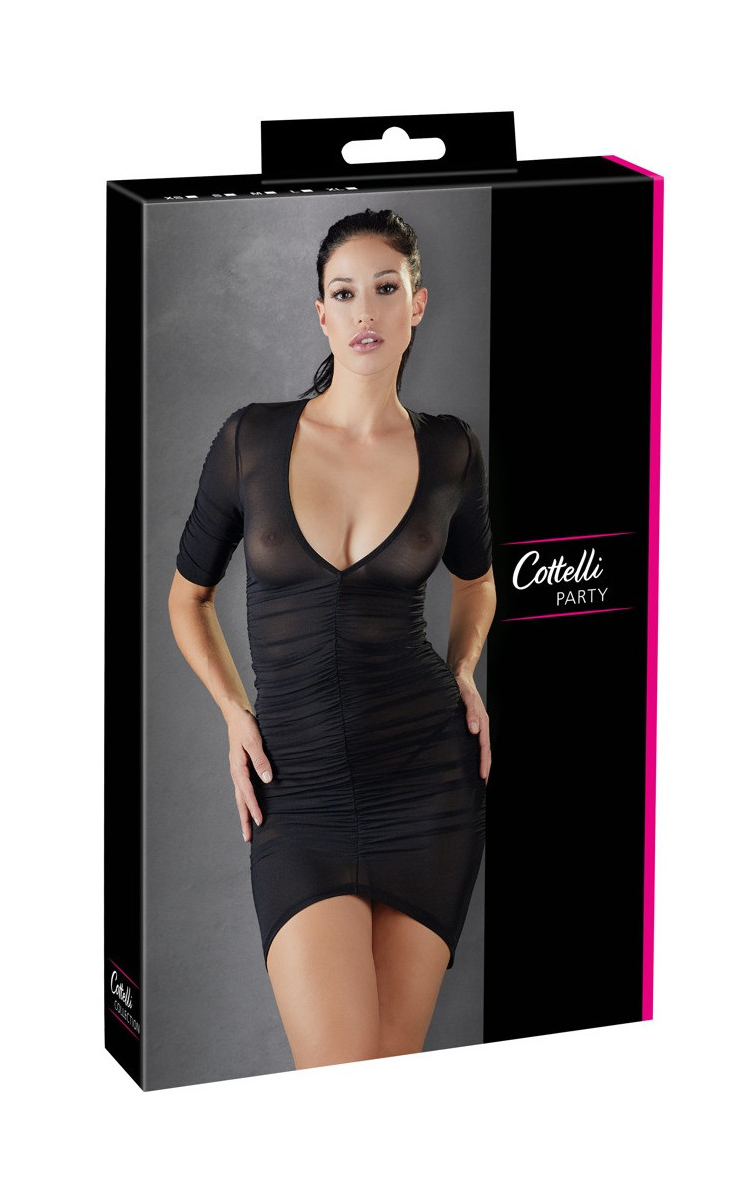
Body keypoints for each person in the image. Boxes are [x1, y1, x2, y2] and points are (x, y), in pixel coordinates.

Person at [168, 209, 496, 1069]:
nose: (366, 311)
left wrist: (464, 670)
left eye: (386, 288)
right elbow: (187, 599)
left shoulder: (451, 450)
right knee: (340, 1075)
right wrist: (234, 713)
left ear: (417, 304)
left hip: (428, 783)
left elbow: (478, 581)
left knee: (390, 1067)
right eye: (344, 294)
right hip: (298, 792)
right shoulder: (251, 438)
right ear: (321, 314)